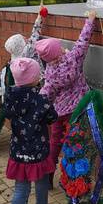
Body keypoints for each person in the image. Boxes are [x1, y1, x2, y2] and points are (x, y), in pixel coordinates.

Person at [35, 10, 97, 189]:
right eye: (59, 47)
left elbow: (46, 94)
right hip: (77, 112)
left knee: (55, 141)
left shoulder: (49, 74)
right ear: (58, 51)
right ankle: (73, 179)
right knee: (75, 143)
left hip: (58, 112)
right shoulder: (73, 59)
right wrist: (90, 20)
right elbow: (83, 42)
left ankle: (48, 175)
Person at [4, 58, 58, 204]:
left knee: (21, 189)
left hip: (18, 151)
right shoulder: (40, 99)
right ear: (34, 79)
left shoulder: (10, 96)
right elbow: (53, 117)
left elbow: (7, 114)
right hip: (38, 151)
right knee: (41, 180)